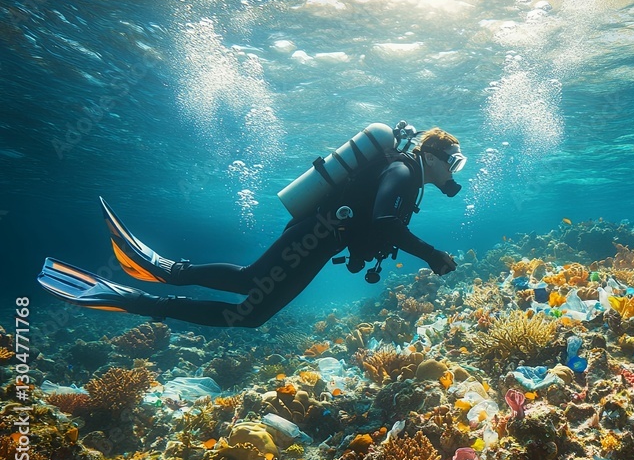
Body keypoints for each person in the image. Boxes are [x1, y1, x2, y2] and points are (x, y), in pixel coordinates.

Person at [38, 124, 466, 328]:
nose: (454, 171)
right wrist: (432, 256)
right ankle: (166, 270)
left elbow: (380, 226)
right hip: (316, 234)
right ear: (431, 155)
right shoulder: (404, 172)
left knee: (251, 314)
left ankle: (140, 301)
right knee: (250, 282)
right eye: (453, 162)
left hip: (320, 239)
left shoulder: (407, 174)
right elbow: (387, 224)